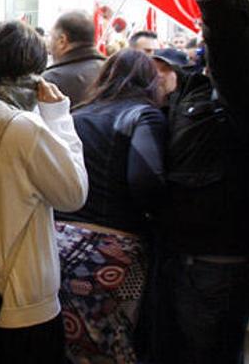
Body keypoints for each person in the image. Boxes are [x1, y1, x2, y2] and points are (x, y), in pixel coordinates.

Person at [153, 0, 249, 364]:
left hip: (213, 264)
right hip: (181, 253)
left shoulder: (245, 92)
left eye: (209, 29)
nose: (203, 35)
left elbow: (233, 57)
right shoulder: (198, 88)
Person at [0, 21, 87, 363]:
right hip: (23, 303)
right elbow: (74, 193)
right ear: (30, 72)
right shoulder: (22, 127)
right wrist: (58, 117)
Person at [55, 49, 168, 363]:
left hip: (57, 246)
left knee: (66, 345)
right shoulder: (143, 115)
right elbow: (146, 179)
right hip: (111, 255)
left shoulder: (77, 115)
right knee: (110, 347)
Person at [43, 11, 106, 107]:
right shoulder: (114, 70)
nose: (49, 44)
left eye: (51, 37)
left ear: (62, 41)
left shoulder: (50, 81)